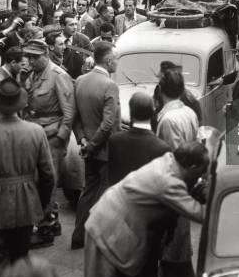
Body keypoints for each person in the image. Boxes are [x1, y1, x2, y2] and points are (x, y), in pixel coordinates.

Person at [84, 142, 208, 277]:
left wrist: (201, 185)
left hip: (112, 221)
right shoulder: (167, 182)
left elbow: (190, 182)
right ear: (192, 167)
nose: (202, 176)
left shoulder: (169, 160)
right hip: (106, 229)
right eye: (202, 172)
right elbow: (200, 214)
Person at [0, 78, 55, 277]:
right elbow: (48, 174)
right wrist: (41, 203)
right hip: (27, 203)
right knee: (22, 255)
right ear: (20, 103)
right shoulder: (36, 132)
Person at [23, 39, 75, 247]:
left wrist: (60, 138)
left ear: (46, 54)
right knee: (42, 182)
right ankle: (53, 222)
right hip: (36, 133)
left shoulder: (58, 76)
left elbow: (69, 112)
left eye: (35, 57)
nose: (31, 61)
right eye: (29, 57)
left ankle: (45, 230)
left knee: (47, 183)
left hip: (52, 136)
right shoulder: (34, 74)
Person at [72, 42, 120, 249]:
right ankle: (99, 239)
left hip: (87, 147)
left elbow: (75, 117)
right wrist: (92, 145)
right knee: (106, 193)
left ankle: (78, 236)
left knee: (88, 191)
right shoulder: (110, 85)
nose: (117, 62)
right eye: (116, 58)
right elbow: (109, 123)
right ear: (109, 60)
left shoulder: (81, 80)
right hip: (105, 149)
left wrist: (83, 140)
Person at [108, 92, 170, 186]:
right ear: (152, 112)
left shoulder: (114, 140)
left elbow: (111, 178)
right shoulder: (162, 148)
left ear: (131, 112)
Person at [155, 68, 199, 149]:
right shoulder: (190, 112)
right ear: (182, 90)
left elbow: (175, 155)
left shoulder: (168, 120)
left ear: (160, 90)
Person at [59, 13, 94, 79]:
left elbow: (92, 52)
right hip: (60, 77)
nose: (75, 27)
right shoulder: (54, 39)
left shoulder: (83, 39)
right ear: (62, 26)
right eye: (71, 25)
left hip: (78, 78)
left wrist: (89, 57)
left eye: (76, 24)